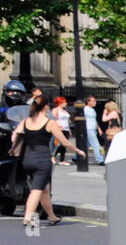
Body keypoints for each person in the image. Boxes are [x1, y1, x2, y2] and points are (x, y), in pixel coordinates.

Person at [10, 97, 82, 230]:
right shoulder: (49, 123)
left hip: (27, 160)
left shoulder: (26, 121)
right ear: (45, 107)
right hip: (42, 160)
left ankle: (52, 216)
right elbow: (64, 142)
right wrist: (78, 151)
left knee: (44, 190)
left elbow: (15, 136)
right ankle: (27, 217)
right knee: (36, 190)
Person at [82, 94, 104, 165]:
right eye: (93, 101)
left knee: (86, 145)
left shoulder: (93, 110)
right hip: (88, 128)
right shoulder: (85, 109)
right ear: (88, 102)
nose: (95, 102)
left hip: (93, 128)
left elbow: (95, 120)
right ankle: (100, 159)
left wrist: (99, 128)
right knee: (96, 144)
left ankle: (76, 156)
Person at [52, 96, 71, 163]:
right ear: (60, 102)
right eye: (64, 102)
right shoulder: (56, 110)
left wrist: (69, 131)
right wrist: (58, 125)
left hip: (66, 128)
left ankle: (62, 159)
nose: (66, 103)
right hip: (60, 128)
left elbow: (67, 121)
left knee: (64, 145)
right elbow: (53, 119)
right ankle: (53, 156)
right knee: (60, 144)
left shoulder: (64, 111)